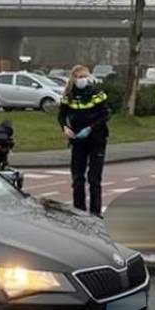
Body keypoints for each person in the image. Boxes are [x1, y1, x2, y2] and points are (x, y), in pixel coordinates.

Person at [58, 65, 110, 217]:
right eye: (80, 77)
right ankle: (79, 211)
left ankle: (95, 213)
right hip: (77, 140)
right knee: (77, 178)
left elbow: (105, 115)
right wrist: (65, 128)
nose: (83, 80)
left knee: (94, 179)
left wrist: (90, 128)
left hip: (96, 139)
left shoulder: (96, 93)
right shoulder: (69, 95)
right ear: (74, 78)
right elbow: (61, 115)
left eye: (85, 76)